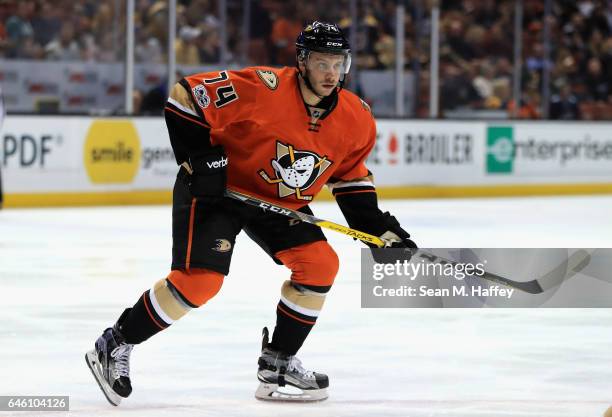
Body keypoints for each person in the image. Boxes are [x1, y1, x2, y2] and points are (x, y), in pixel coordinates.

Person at [86, 21, 417, 405]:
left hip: (278, 202)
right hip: (219, 190)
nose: (331, 74)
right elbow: (185, 97)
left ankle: (277, 363)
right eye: (323, 63)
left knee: (320, 264)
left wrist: (378, 229)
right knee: (200, 282)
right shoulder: (264, 88)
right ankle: (115, 341)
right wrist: (204, 161)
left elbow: (349, 178)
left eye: (338, 64)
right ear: (303, 61)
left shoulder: (356, 117)